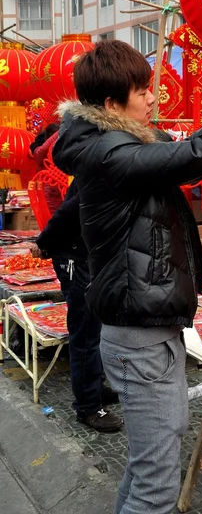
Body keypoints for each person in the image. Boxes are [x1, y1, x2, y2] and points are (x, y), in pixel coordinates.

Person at [52, 39, 202, 514]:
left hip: (144, 333)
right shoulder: (109, 153)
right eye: (142, 92)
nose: (153, 99)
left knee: (148, 469)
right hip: (140, 339)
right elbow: (192, 157)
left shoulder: (113, 143)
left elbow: (187, 145)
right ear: (111, 104)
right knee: (156, 486)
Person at [33, 181, 123, 433]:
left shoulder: (109, 162)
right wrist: (44, 243)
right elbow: (67, 212)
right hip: (76, 258)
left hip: (90, 256)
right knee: (85, 333)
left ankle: (93, 387)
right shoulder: (104, 168)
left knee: (97, 328)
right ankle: (88, 407)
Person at [30, 124, 63, 215]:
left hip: (59, 190)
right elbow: (41, 151)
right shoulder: (42, 152)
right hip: (51, 191)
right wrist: (61, 131)